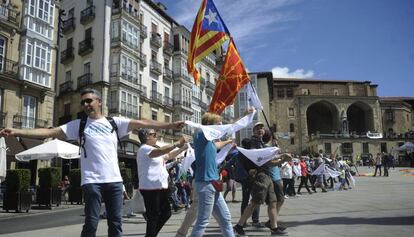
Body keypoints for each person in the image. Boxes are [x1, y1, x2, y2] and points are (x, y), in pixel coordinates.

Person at [0, 88, 184, 237]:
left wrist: (169, 126)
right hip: (91, 181)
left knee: (116, 223)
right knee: (91, 223)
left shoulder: (114, 123)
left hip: (113, 180)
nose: (86, 104)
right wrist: (17, 132)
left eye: (89, 100)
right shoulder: (78, 125)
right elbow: (49, 132)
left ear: (99, 102)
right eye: (83, 102)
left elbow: (142, 123)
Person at [190, 112, 234, 237]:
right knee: (203, 221)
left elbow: (216, 145)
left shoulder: (210, 141)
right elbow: (230, 127)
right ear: (209, 125)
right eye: (218, 123)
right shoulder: (201, 135)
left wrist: (227, 142)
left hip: (213, 183)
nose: (221, 125)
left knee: (225, 218)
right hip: (205, 183)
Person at [137, 128, 188, 237]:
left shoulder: (153, 149)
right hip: (150, 188)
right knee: (153, 216)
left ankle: (151, 235)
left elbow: (168, 156)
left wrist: (182, 148)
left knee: (166, 213)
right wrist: (177, 143)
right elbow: (160, 152)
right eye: (153, 134)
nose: (156, 136)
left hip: (160, 187)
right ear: (147, 137)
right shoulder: (144, 149)